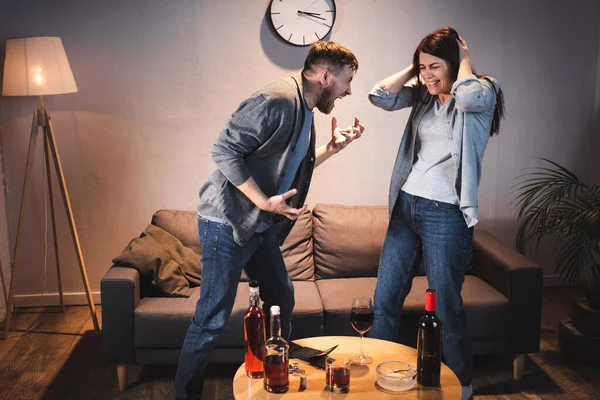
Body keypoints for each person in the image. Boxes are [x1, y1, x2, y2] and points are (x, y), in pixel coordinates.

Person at [174, 41, 364, 400]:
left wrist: (331, 148)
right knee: (211, 319)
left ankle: (271, 378)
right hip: (226, 224)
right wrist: (263, 201)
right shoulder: (277, 98)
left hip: (258, 226)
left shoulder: (305, 109)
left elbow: (290, 170)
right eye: (347, 80)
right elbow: (223, 150)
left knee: (281, 297)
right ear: (325, 76)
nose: (349, 90)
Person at [368, 27, 504, 400]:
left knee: (445, 304)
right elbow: (379, 96)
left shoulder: (481, 91)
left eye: (434, 65)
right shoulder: (426, 97)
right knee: (385, 299)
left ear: (456, 61)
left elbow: (465, 93)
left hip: (446, 212)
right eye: (422, 67)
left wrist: (463, 61)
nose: (427, 74)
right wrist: (419, 70)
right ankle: (376, 383)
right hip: (406, 206)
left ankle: (462, 384)